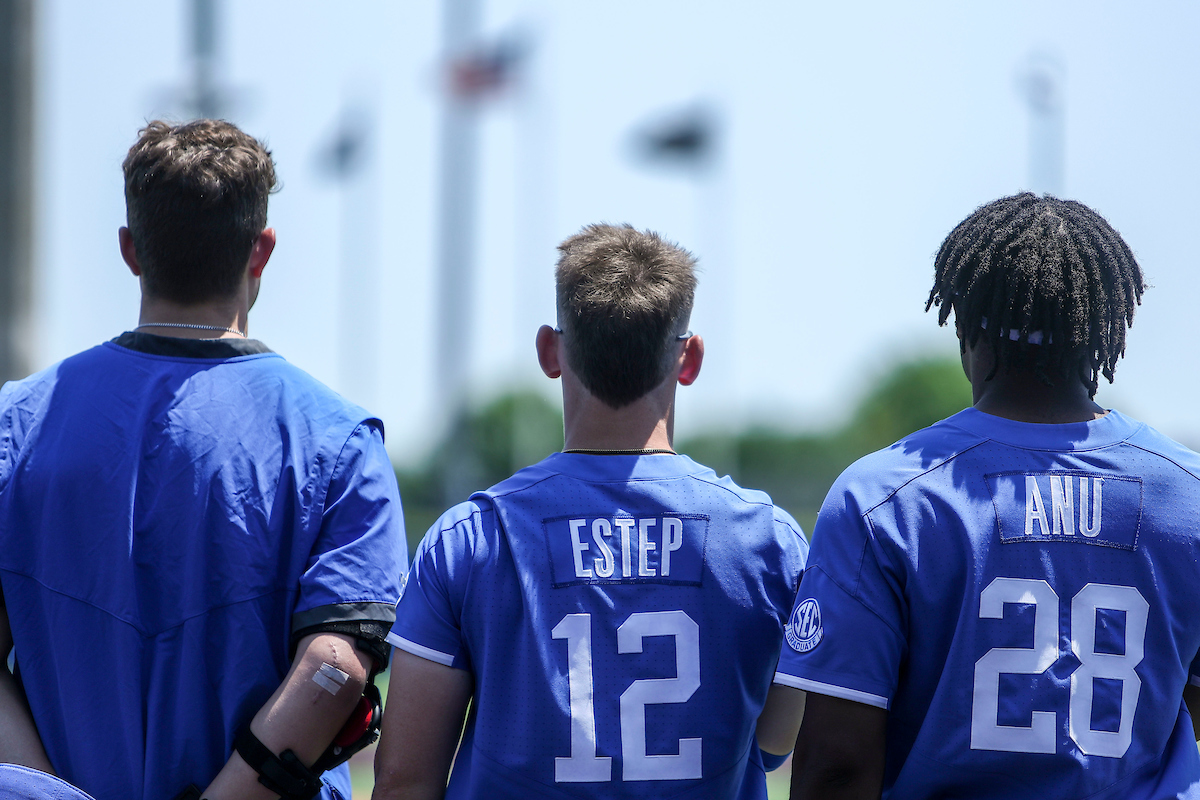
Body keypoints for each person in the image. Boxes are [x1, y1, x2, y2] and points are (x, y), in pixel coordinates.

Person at [0, 119, 408, 800]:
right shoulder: (339, 441)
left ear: (130, 250)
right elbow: (335, 665)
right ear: (262, 251)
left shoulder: (18, 422)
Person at [779, 193, 1200, 800]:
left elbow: (838, 760)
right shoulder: (1185, 495)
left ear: (968, 326)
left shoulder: (887, 497)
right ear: (1104, 330)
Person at [372, 223, 809, 800]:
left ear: (549, 352)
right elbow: (775, 742)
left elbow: (406, 778)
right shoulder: (768, 542)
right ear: (690, 357)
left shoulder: (470, 538)